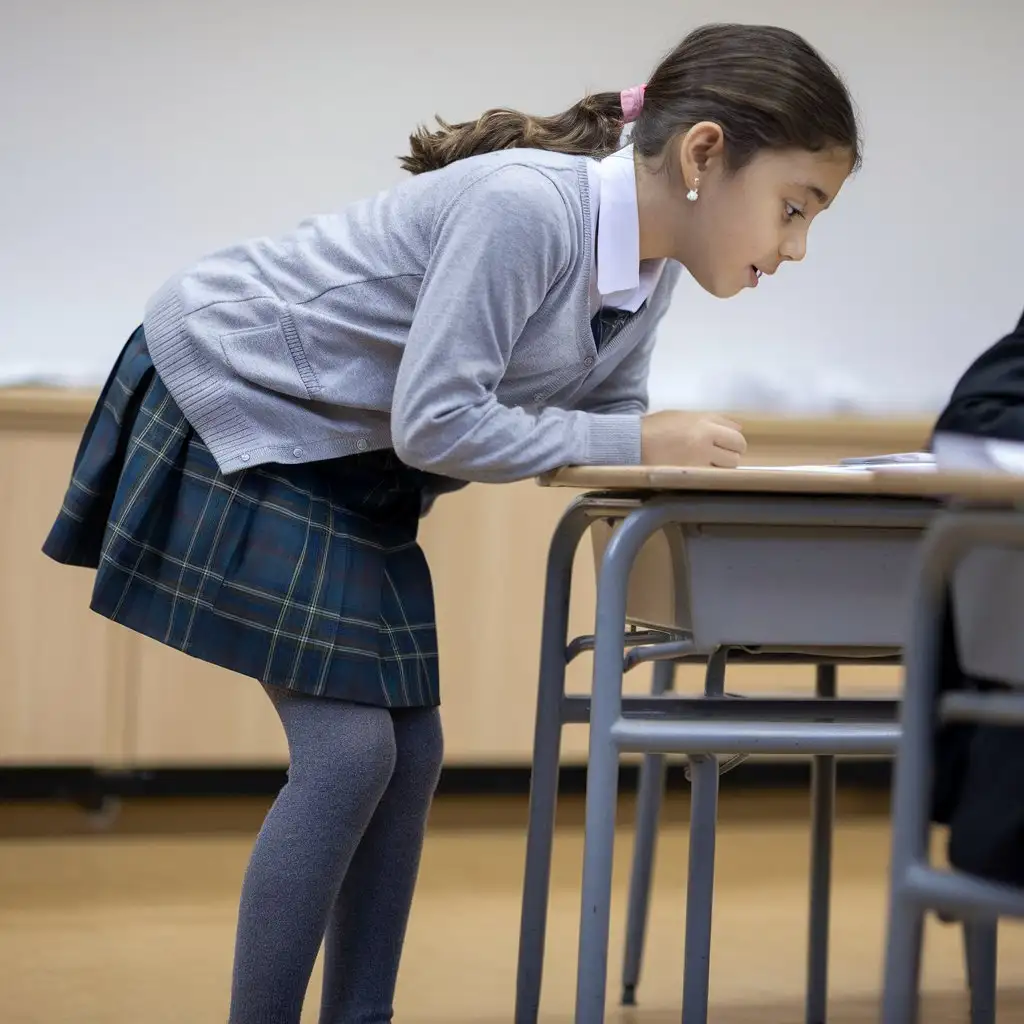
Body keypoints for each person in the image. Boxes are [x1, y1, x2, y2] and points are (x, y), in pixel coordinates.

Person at [42, 22, 860, 1024]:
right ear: (702, 156)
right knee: (349, 756)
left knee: (409, 752)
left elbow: (605, 426)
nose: (796, 246)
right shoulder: (525, 209)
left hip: (349, 454)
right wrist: (642, 439)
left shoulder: (645, 276)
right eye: (792, 207)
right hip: (236, 395)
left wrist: (661, 462)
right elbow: (438, 422)